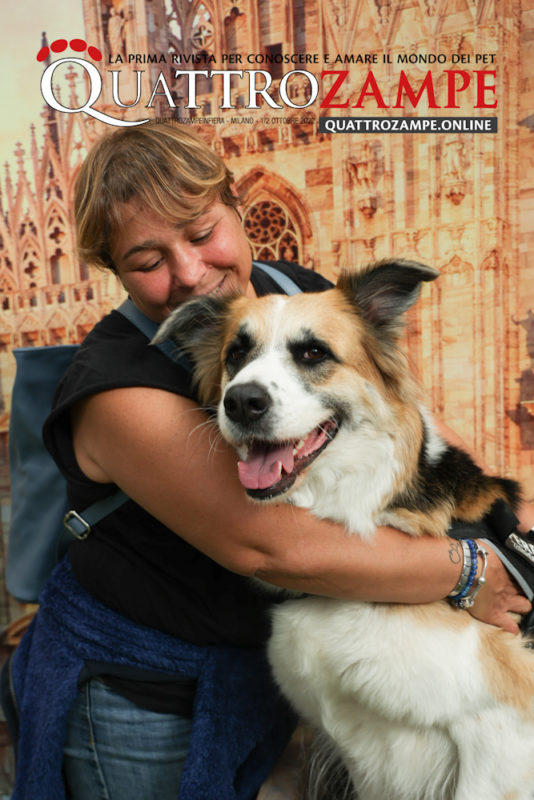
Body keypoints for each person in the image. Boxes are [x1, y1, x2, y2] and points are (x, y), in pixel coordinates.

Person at [6, 122, 534, 800]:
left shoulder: (290, 292)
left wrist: (515, 527)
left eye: (201, 235)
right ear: (113, 271)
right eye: (147, 260)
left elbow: (418, 430)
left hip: (262, 670)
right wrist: (472, 569)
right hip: (140, 692)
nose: (191, 275)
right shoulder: (115, 387)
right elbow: (273, 549)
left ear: (235, 205)